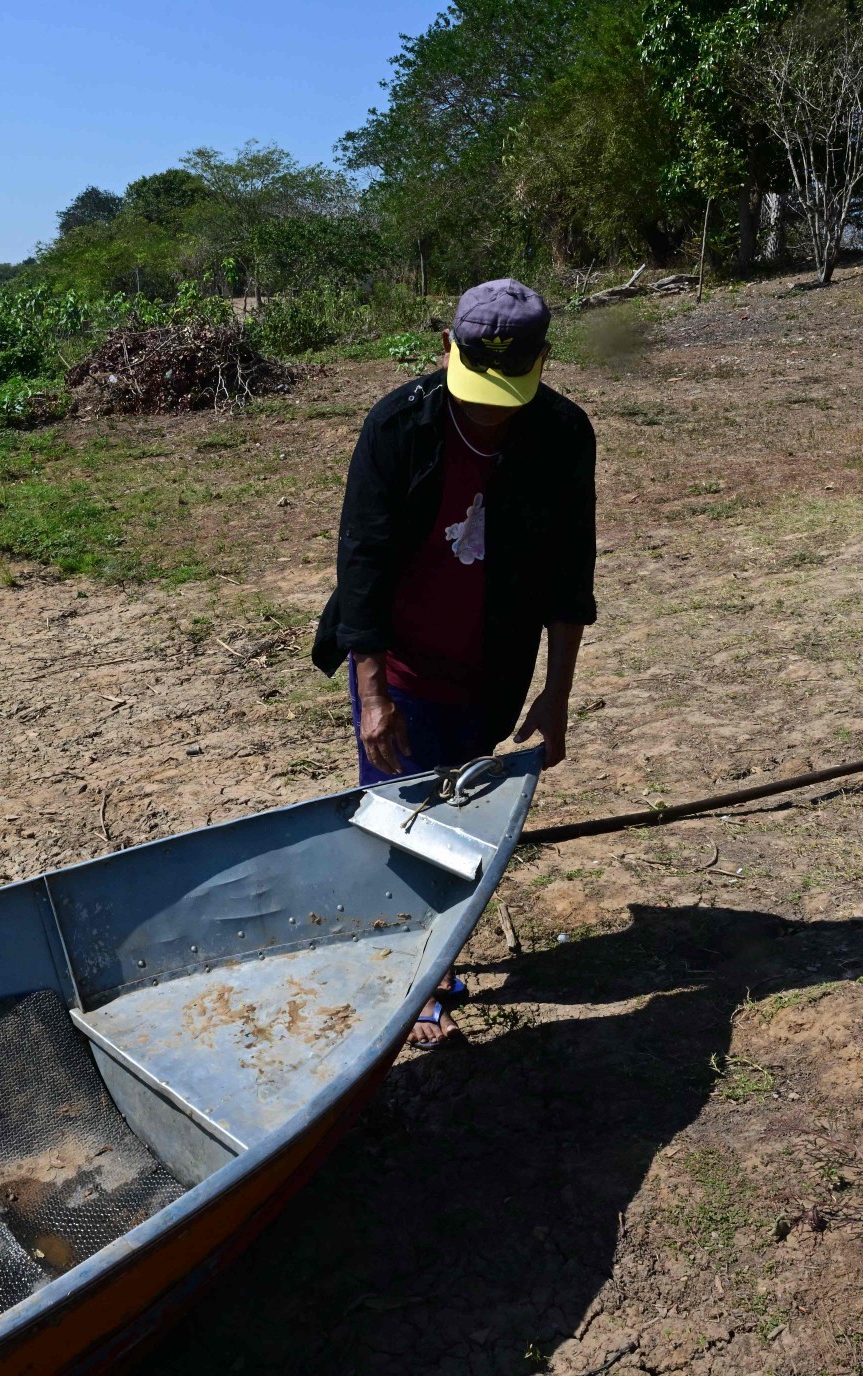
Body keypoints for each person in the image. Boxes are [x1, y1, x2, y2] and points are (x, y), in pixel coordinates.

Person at [309, 278, 598, 1045]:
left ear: (544, 360)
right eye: (476, 388)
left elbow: (573, 571)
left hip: (492, 664)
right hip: (400, 665)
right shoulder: (399, 425)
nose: (489, 410)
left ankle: (432, 950)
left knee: (461, 816)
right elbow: (362, 561)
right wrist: (371, 694)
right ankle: (417, 978)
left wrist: (557, 692)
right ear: (447, 351)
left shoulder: (564, 433)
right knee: (400, 818)